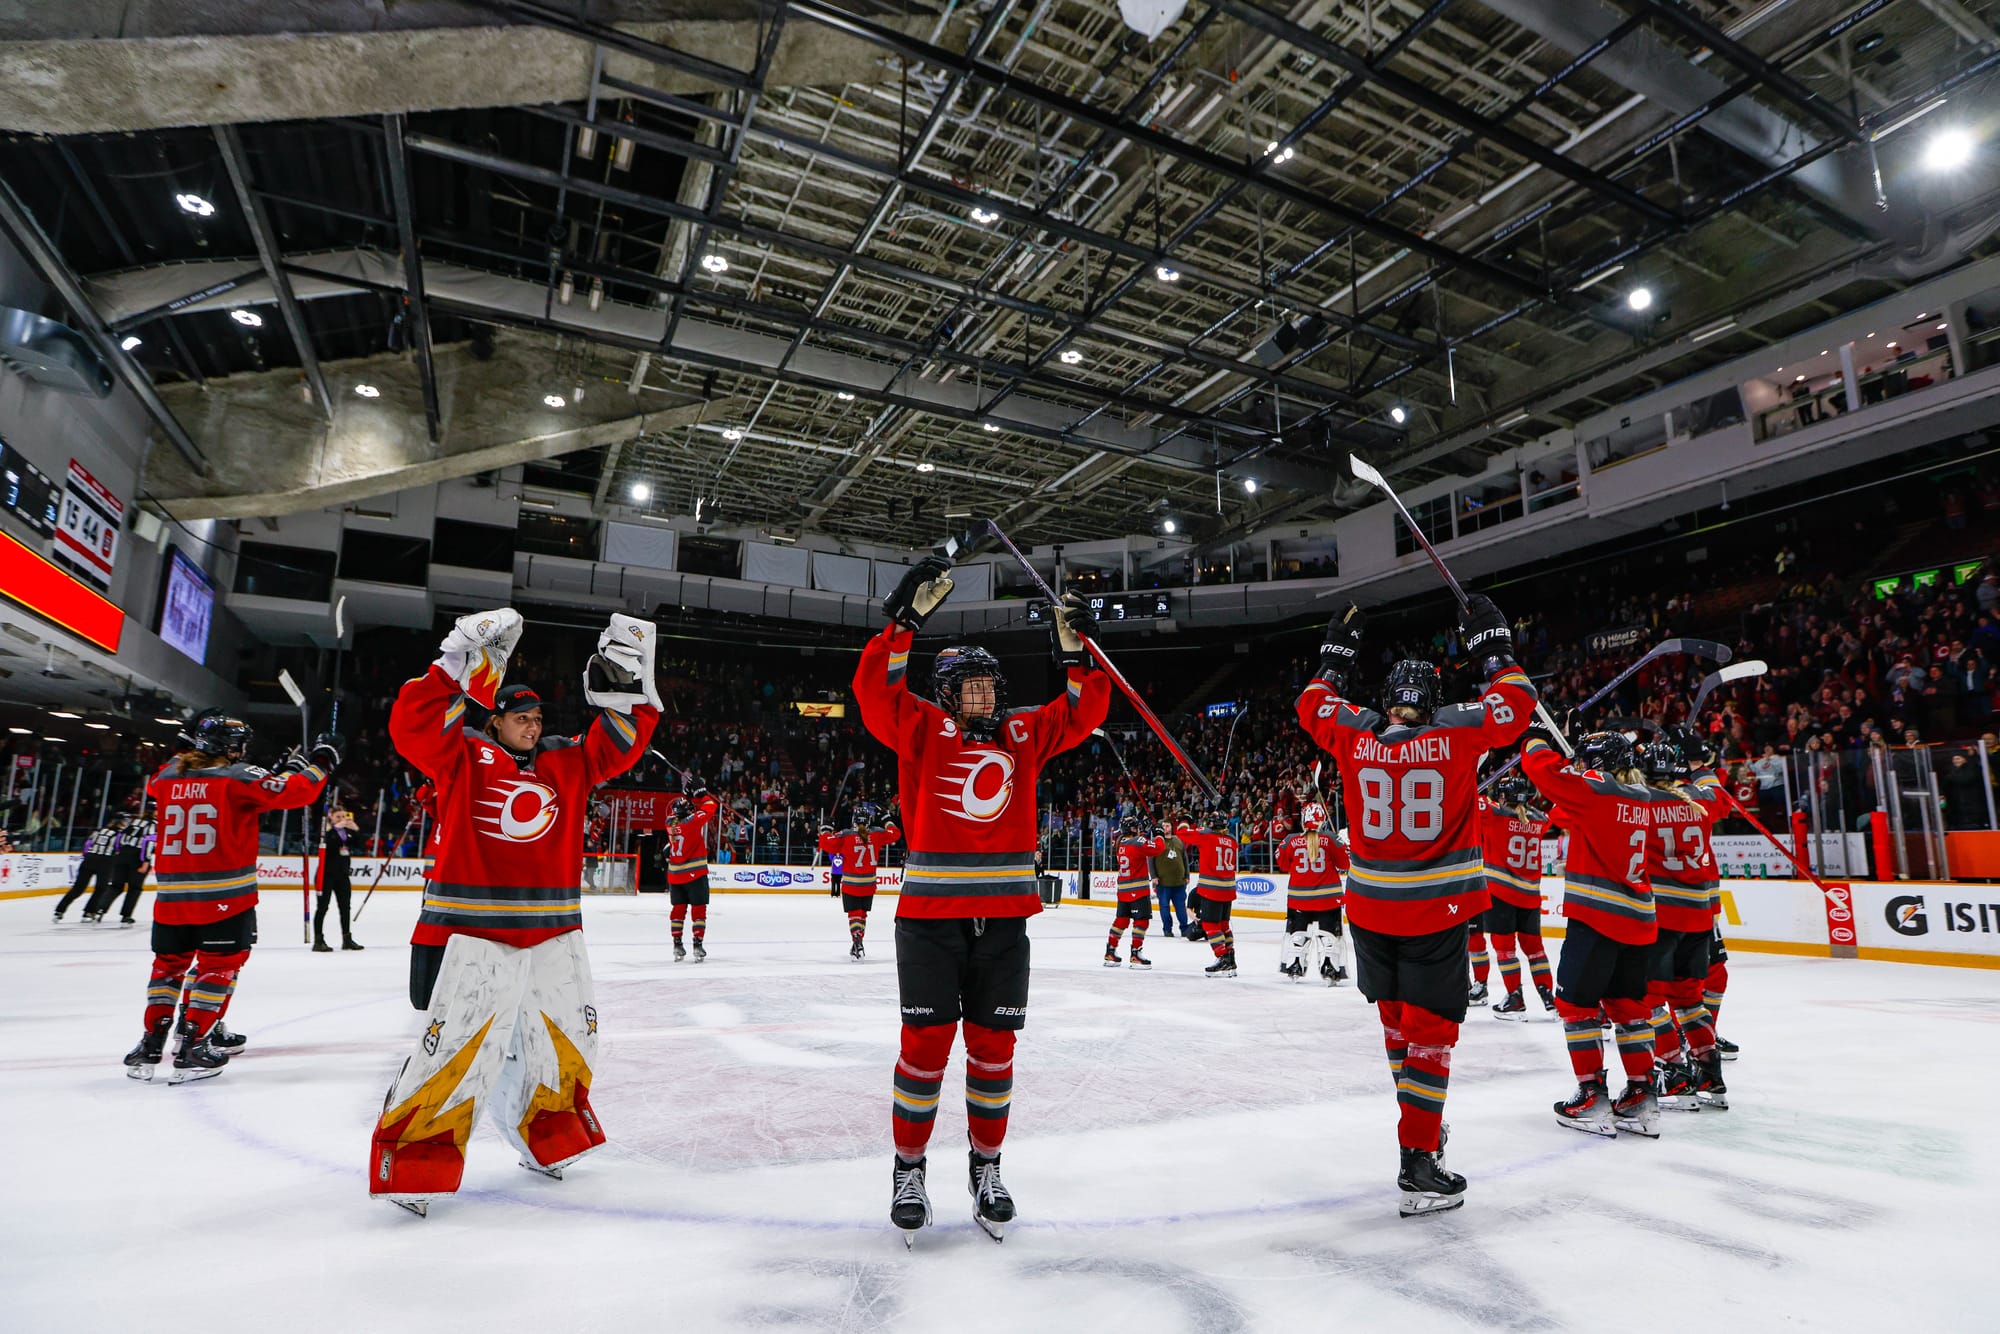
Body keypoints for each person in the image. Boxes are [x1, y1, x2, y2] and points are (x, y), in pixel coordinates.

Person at [853, 556, 1108, 1245]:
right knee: (925, 1050)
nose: (981, 699)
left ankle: (986, 1168)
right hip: (929, 924)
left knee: (994, 1052)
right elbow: (876, 693)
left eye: (988, 687)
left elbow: (1084, 712)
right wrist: (901, 625)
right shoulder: (920, 730)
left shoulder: (1025, 734)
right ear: (943, 693)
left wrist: (1078, 652)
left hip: (1003, 926)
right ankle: (908, 1170)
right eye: (967, 688)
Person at [370, 608, 659, 1216]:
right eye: (520, 717)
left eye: (537, 718)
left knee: (566, 1046)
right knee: (457, 1054)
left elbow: (620, 744)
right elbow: (410, 726)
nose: (532, 726)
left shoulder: (568, 762)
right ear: (494, 717)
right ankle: (417, 1164)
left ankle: (545, 1138)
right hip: (470, 935)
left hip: (553, 934)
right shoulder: (459, 755)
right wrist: (453, 663)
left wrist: (629, 691)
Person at [1295, 595, 1535, 1216]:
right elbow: (1516, 705)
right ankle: (1419, 1157)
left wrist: (1335, 658)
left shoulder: (1356, 733)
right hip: (1436, 913)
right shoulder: (1455, 732)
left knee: (1398, 1025)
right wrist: (1495, 652)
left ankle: (1417, 1129)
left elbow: (1312, 704)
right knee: (1432, 1038)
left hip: (1371, 911)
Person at [121, 711, 336, 1083]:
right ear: (231, 747)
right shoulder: (238, 777)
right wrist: (321, 761)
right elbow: (295, 792)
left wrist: (280, 769)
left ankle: (153, 1040)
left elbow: (186, 769)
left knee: (167, 967)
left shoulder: (166, 776)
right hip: (224, 897)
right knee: (218, 967)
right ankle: (194, 1042)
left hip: (172, 899)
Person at [1520, 729, 1660, 1139]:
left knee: (1576, 1006)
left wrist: (1535, 740)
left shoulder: (1595, 790)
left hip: (1598, 919)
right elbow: (1564, 813)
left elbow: (1542, 773)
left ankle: (1592, 1096)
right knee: (1629, 1007)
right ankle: (1642, 1098)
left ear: (1596, 766)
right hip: (1638, 920)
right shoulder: (1641, 797)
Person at [1637, 729, 1727, 1112]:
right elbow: (1716, 792)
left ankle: (1673, 1068)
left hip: (1662, 917)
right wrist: (1700, 761)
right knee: (1690, 999)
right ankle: (1710, 1073)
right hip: (1700, 918)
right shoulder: (1701, 799)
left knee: (1651, 999)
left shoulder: (1641, 802)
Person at [1478, 772, 1555, 1018]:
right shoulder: (1540, 818)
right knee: (1535, 949)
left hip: (1501, 892)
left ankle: (1515, 999)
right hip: (1530, 894)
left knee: (1505, 949)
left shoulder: (1494, 814)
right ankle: (1548, 997)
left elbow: (1470, 800)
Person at [1275, 800, 1349, 984]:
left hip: (1299, 898)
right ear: (1322, 819)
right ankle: (1330, 969)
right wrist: (1346, 846)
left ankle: (1295, 966)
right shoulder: (1332, 838)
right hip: (1328, 898)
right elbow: (1345, 864)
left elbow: (1283, 865)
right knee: (1329, 937)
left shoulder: (1290, 841)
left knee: (1298, 935)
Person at [819, 803, 901, 960]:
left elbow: (826, 843)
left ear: (853, 820)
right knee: (862, 914)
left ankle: (857, 940)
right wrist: (887, 818)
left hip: (851, 884)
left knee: (854, 914)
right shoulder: (877, 834)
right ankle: (858, 940)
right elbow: (895, 833)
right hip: (869, 885)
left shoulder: (846, 835)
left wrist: (826, 828)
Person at [1178, 809, 1241, 977]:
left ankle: (1222, 958)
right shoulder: (1232, 841)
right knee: (1224, 925)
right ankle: (1230, 958)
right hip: (1228, 889)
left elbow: (1182, 833)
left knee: (1210, 925)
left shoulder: (1206, 836)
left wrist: (1185, 820)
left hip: (1211, 890)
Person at [665, 783, 721, 961]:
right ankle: (697, 944)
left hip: (675, 875)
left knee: (678, 910)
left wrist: (688, 796)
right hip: (695, 874)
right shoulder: (692, 822)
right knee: (698, 910)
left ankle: (677, 944)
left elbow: (681, 812)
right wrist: (702, 794)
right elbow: (712, 806)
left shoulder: (669, 823)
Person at [1104, 816, 1163, 969]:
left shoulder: (1120, 842)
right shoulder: (1138, 842)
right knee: (1141, 921)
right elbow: (1158, 848)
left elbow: (1137, 844)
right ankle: (1135, 953)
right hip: (1137, 890)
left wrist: (1143, 832)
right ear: (1133, 829)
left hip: (1123, 889)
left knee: (1121, 920)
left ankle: (1110, 951)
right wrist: (1158, 835)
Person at [83, 812, 154, 925]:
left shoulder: (133, 822)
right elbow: (149, 842)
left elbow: (119, 838)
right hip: (137, 856)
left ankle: (100, 909)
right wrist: (146, 861)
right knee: (134, 888)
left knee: (116, 886)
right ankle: (126, 916)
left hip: (122, 855)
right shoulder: (153, 824)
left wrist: (120, 853)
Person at [312, 805, 363, 952]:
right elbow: (326, 845)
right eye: (338, 817)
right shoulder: (325, 831)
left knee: (345, 907)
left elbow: (358, 845)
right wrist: (335, 829)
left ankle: (347, 938)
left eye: (343, 816)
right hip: (326, 874)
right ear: (331, 817)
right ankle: (318, 940)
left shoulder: (347, 832)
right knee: (323, 907)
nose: (342, 820)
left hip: (342, 875)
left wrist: (356, 830)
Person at [53, 816, 121, 922]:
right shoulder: (119, 835)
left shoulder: (99, 831)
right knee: (101, 888)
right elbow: (118, 849)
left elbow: (88, 844)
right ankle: (89, 912)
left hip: (90, 858)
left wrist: (87, 856)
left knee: (78, 887)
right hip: (105, 861)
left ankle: (59, 910)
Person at [1151, 820, 1192, 940]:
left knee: (1180, 907)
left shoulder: (1178, 841)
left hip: (1179, 882)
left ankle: (1184, 929)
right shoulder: (1156, 842)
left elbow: (1185, 859)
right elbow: (1150, 860)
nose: (1165, 827)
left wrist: (1187, 875)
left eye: (1167, 825)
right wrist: (1153, 876)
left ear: (1171, 827)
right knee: (1164, 907)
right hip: (1163, 883)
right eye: (1163, 826)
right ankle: (1167, 929)